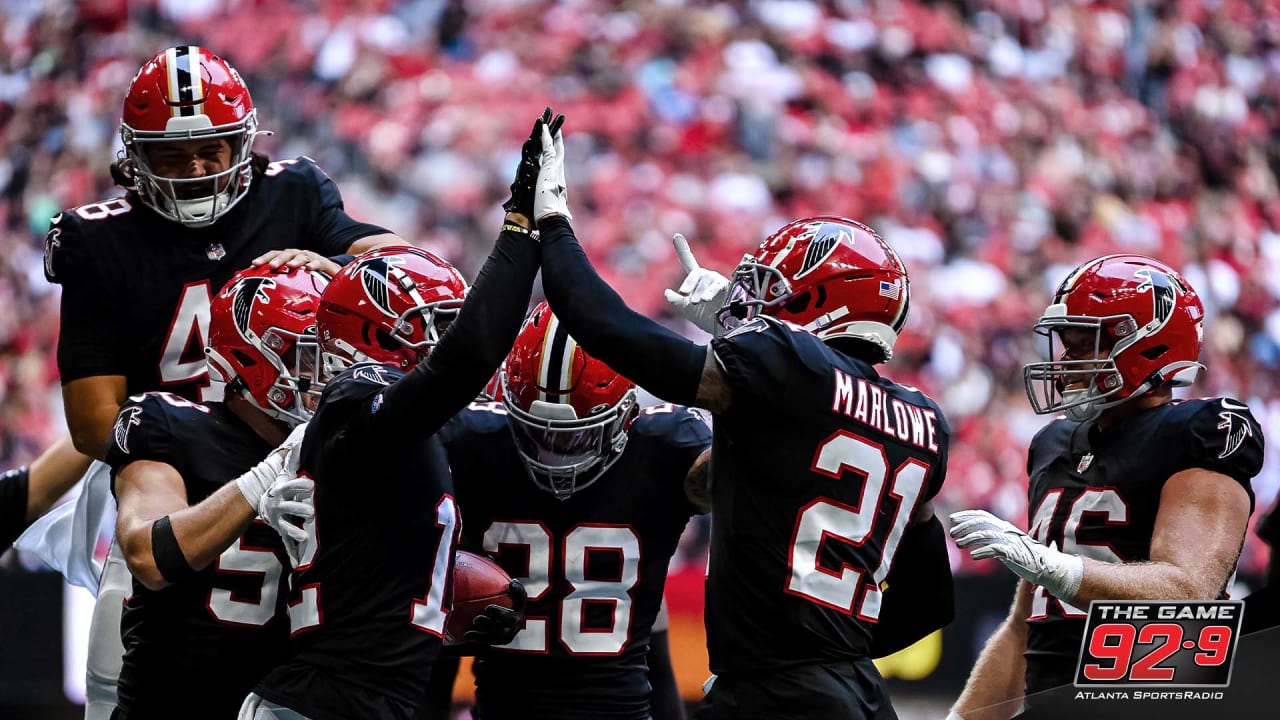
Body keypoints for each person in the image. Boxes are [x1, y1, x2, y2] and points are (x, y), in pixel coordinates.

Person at [11, 45, 397, 719]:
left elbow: (405, 273)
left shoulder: (294, 193)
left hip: (304, 471)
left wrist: (342, 274)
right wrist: (205, 446)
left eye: (212, 150)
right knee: (132, 660)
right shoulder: (102, 240)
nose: (193, 170)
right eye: (170, 155)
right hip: (168, 469)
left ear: (245, 144)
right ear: (135, 157)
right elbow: (97, 425)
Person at [528, 121, 954, 718]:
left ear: (822, 302)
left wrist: (552, 224)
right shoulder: (922, 418)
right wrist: (828, 661)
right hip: (857, 692)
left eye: (773, 291)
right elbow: (930, 601)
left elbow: (604, 327)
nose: (750, 303)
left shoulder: (790, 367)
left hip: (777, 696)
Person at [242, 109, 559, 720]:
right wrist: (521, 226)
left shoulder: (370, 417)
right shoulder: (357, 401)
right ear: (374, 337)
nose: (441, 345)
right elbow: (466, 357)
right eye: (428, 330)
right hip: (320, 705)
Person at [947, 255, 1263, 719]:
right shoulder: (1053, 443)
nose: (1065, 360)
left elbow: (1188, 591)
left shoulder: (1197, 430)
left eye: (1084, 345)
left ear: (1148, 348)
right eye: (1066, 344)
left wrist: (1056, 568)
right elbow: (1023, 631)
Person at [432, 301, 711, 720]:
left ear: (627, 415)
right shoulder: (664, 451)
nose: (554, 456)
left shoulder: (470, 442)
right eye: (535, 432)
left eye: (574, 439)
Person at [104, 265, 327, 719]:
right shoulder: (170, 425)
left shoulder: (340, 449)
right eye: (308, 355)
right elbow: (148, 555)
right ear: (249, 360)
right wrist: (261, 480)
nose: (324, 372)